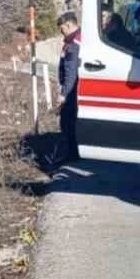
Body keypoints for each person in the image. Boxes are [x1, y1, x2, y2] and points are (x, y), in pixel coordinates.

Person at [57, 11, 81, 164]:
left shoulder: (73, 44)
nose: (61, 32)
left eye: (62, 29)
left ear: (69, 25)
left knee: (67, 122)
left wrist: (64, 94)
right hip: (75, 89)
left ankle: (72, 155)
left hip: (72, 91)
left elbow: (71, 72)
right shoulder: (76, 39)